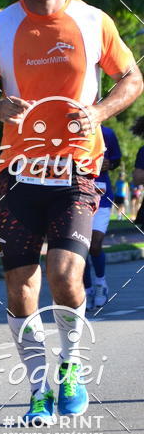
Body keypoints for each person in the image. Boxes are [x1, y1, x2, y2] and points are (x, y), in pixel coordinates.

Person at [0, 0, 143, 425]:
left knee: (65, 276)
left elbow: (132, 78)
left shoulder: (93, 21)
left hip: (76, 171)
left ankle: (70, 368)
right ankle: (39, 388)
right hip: (18, 174)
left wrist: (101, 112)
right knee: (21, 290)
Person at [84, 124, 121, 310]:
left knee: (95, 243)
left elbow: (116, 160)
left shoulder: (107, 133)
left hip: (102, 195)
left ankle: (101, 283)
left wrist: (110, 164)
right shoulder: (68, 129)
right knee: (81, 247)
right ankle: (87, 290)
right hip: (77, 194)